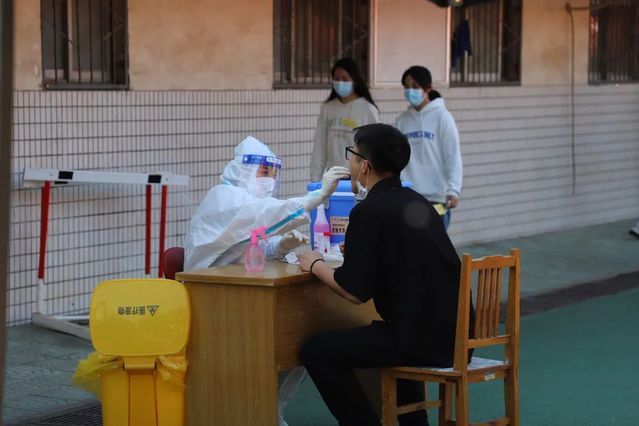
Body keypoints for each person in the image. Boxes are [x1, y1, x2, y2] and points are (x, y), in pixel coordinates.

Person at [298, 123, 474, 426]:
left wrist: (315, 264)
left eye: (352, 155)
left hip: (417, 340)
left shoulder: (368, 211)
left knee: (316, 350)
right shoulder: (418, 202)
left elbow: (354, 291)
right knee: (393, 334)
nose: (350, 164)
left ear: (365, 166)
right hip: (456, 337)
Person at [184, 136, 349, 426]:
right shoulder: (225, 198)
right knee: (277, 346)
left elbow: (250, 246)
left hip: (240, 295)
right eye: (264, 172)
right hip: (212, 301)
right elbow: (262, 215)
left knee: (295, 344)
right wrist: (315, 197)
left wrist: (280, 246)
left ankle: (270, 413)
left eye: (273, 173)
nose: (269, 180)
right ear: (243, 170)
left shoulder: (248, 204)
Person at [395, 65, 462, 229]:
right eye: (406, 87)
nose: (410, 91)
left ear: (428, 88)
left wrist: (453, 189)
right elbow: (396, 159)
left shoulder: (443, 117)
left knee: (434, 244)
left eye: (415, 86)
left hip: (436, 199)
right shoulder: (401, 121)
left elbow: (453, 156)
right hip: (408, 196)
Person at [310, 57, 380, 182]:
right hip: (333, 177)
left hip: (359, 178)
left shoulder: (368, 110)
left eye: (345, 79)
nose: (340, 83)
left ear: (355, 81)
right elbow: (319, 148)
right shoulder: (328, 108)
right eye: (336, 79)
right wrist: (315, 180)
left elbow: (375, 149)